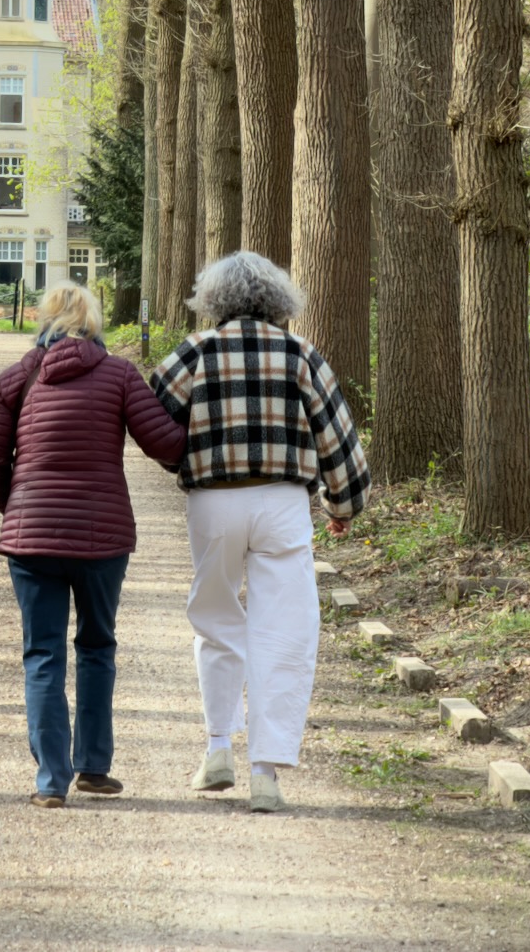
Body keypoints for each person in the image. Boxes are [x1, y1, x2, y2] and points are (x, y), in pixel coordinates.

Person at [148, 251, 370, 813]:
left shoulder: (192, 354)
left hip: (213, 502)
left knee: (217, 619)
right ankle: (266, 770)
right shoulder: (300, 354)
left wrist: (187, 460)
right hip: (282, 502)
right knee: (285, 631)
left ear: (213, 301)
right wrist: (343, 503)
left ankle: (218, 747)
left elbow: (151, 419)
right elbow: (338, 435)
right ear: (278, 300)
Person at [0, 282, 185, 808]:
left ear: (42, 322)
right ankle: (93, 767)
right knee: (96, 648)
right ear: (95, 324)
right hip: (102, 539)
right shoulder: (118, 375)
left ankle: (51, 781)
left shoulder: (16, 377)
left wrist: (19, 510)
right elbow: (166, 443)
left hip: (32, 540)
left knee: (41, 654)